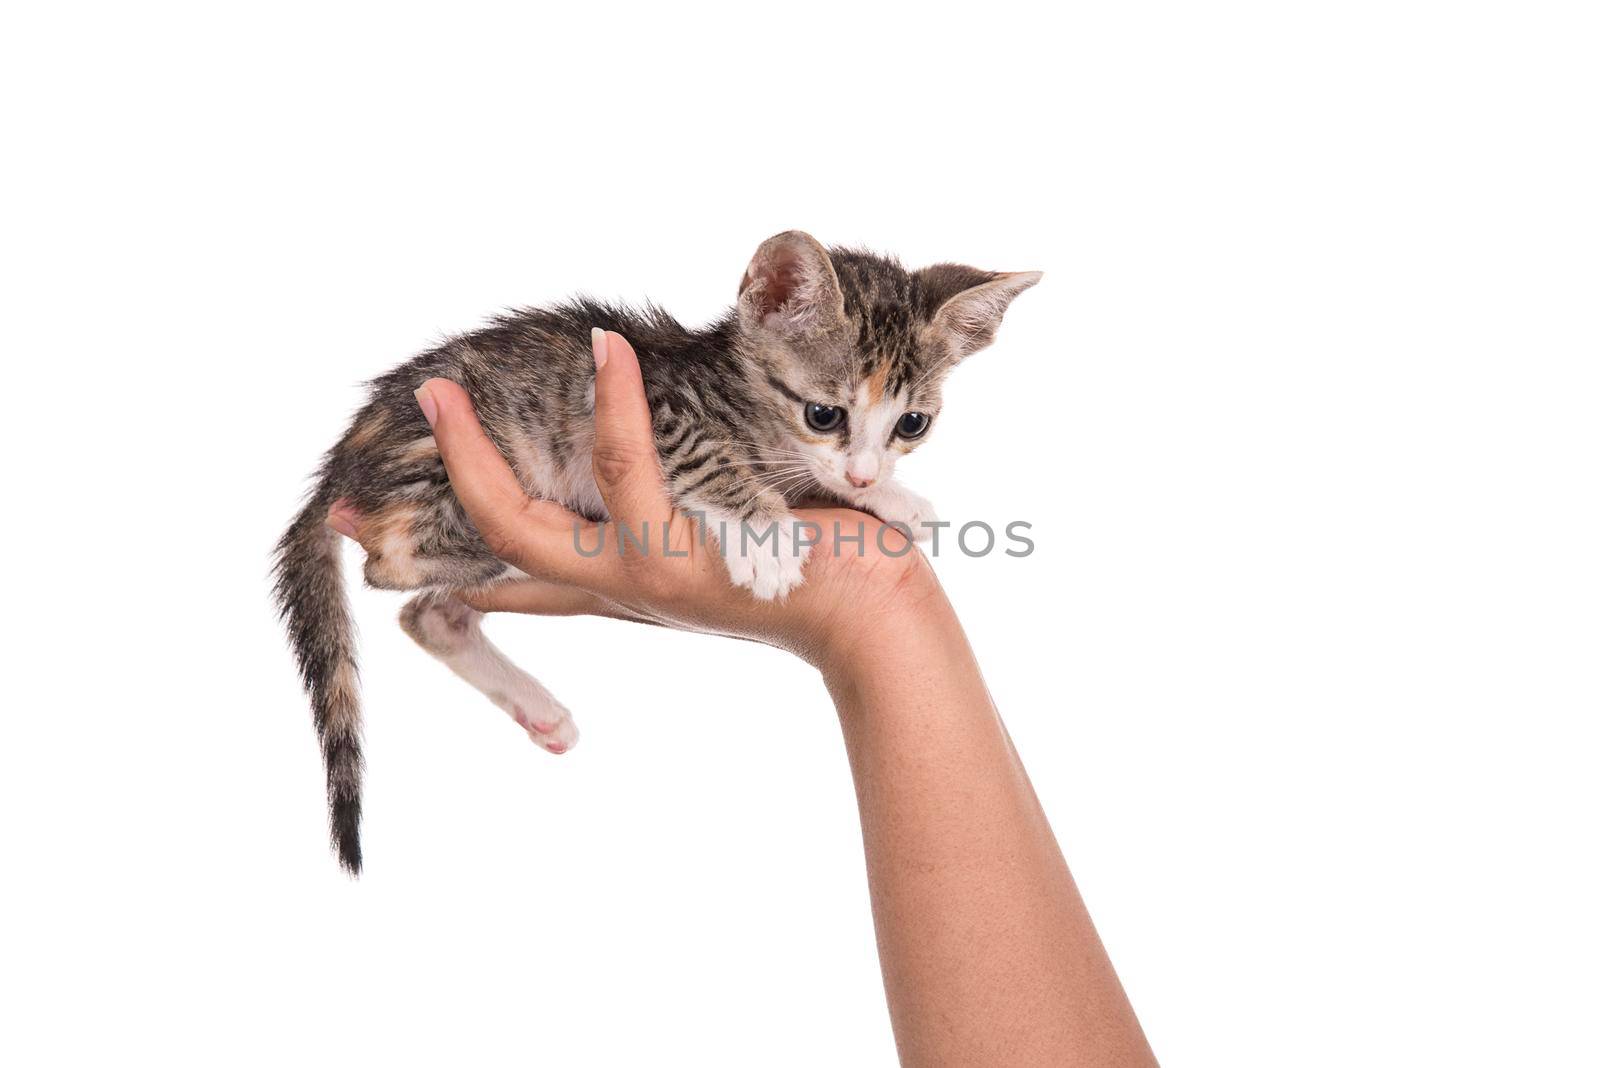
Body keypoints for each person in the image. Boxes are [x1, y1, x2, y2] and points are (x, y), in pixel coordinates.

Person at [331, 330, 1158, 1067]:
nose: (867, 463)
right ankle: (414, 561)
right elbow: (680, 432)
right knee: (495, 524)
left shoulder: (814, 430)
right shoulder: (725, 385)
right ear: (768, 310)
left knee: (538, 539)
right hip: (465, 446)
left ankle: (446, 612)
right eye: (832, 421)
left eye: (907, 428)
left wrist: (863, 540)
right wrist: (752, 513)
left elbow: (814, 472)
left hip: (550, 484)